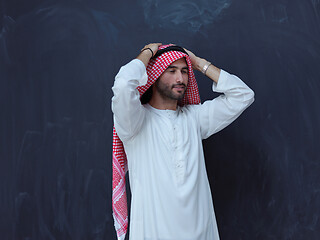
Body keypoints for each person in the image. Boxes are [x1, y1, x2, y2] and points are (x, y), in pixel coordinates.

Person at [111, 43, 254, 240]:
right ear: (154, 73)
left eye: (185, 71)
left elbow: (243, 96)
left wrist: (199, 63)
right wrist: (148, 53)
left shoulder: (194, 118)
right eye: (171, 71)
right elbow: (123, 84)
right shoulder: (134, 122)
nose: (180, 78)